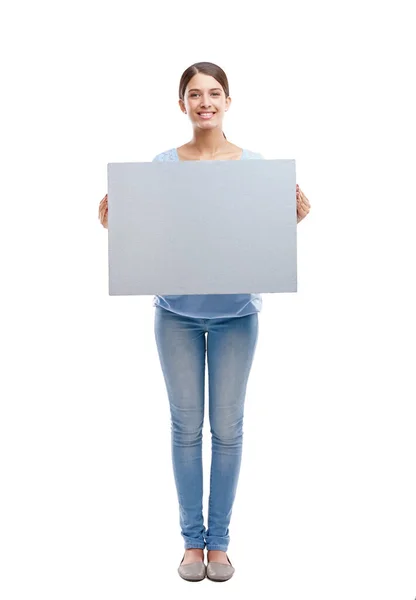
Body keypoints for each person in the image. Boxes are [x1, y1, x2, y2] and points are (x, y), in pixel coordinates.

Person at [98, 61, 311, 582]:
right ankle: (192, 544)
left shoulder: (255, 167)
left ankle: (221, 545)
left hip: (237, 314)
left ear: (228, 102)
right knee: (185, 429)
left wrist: (293, 219)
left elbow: (256, 241)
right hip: (176, 315)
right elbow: (154, 241)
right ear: (182, 105)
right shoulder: (161, 166)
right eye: (194, 94)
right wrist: (116, 225)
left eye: (214, 93)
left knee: (229, 431)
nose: (205, 102)